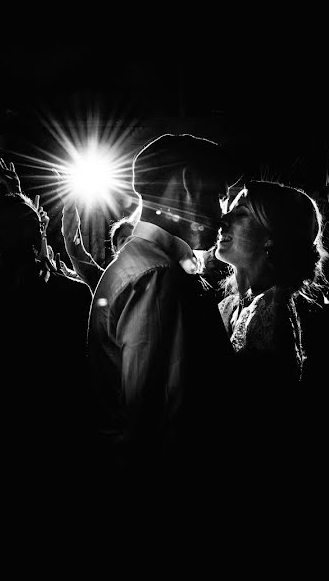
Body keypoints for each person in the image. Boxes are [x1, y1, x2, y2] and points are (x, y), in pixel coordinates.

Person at [86, 133, 238, 484]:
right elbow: (156, 419)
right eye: (219, 195)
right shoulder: (157, 276)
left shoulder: (148, 263)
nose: (221, 213)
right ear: (189, 183)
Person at [214, 181, 327, 465]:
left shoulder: (275, 311)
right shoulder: (230, 304)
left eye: (240, 214)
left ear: (271, 235)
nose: (223, 221)